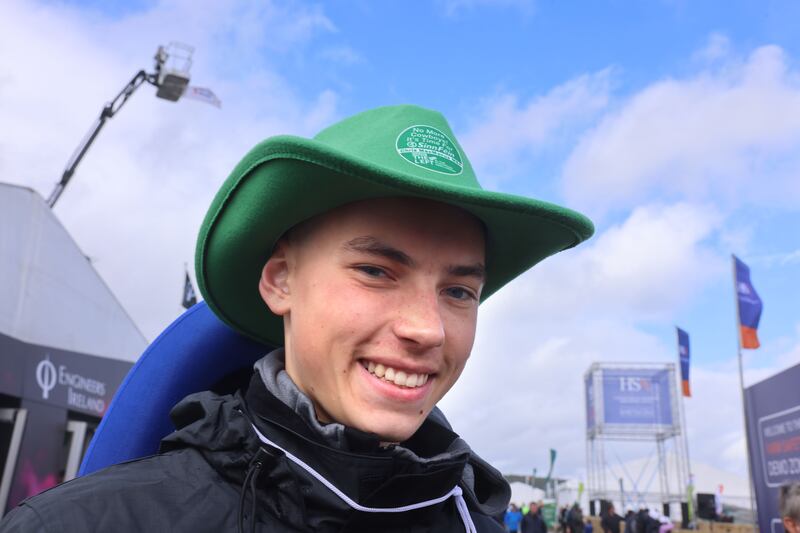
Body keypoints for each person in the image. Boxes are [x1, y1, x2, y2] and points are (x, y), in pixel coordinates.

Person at [0, 105, 593, 532]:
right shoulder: (85, 523)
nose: (428, 328)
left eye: (459, 291)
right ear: (280, 281)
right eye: (377, 271)